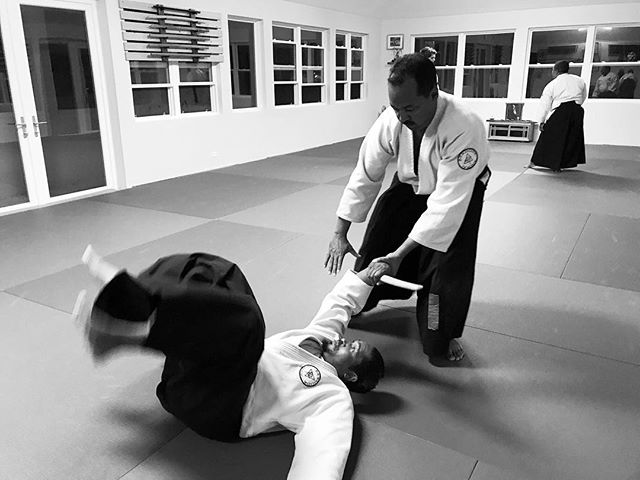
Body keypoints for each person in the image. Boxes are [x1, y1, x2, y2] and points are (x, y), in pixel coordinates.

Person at [75, 246, 387, 480]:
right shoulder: (320, 337)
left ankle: (125, 337)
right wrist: (366, 278)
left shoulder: (332, 398)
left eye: (352, 348)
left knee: (248, 321)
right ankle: (128, 302)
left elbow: (326, 452)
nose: (344, 340)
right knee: (219, 272)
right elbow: (340, 304)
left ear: (349, 373)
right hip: (198, 373)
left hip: (221, 408)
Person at [324, 52, 491, 362]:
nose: (402, 117)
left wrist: (400, 256)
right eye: (395, 107)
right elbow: (366, 174)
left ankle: (443, 332)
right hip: (409, 183)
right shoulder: (392, 120)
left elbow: (445, 205)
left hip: (458, 191)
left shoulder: (465, 126)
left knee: (445, 265)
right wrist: (340, 231)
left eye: (410, 108)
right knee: (377, 240)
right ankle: (359, 302)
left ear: (433, 93)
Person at [528, 60, 587, 172]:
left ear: (555, 71)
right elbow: (583, 96)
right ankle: (564, 163)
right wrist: (576, 107)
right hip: (577, 110)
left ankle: (537, 162)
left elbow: (545, 104)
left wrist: (541, 121)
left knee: (549, 136)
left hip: (561, 110)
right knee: (572, 137)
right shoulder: (579, 80)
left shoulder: (552, 84)